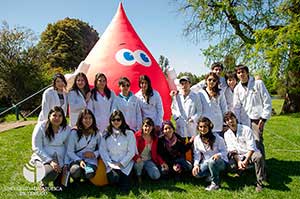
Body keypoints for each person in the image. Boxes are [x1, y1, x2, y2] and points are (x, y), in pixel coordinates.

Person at [233, 64, 272, 158]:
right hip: (244, 119)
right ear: (237, 75)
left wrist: (263, 118)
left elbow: (267, 101)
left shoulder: (258, 83)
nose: (241, 74)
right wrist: (237, 121)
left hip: (257, 119)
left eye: (243, 72)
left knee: (257, 141)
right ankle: (249, 163)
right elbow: (236, 107)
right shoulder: (237, 88)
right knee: (246, 142)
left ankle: (261, 166)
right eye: (238, 72)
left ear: (247, 73)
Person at [223, 111, 266, 192]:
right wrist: (239, 161)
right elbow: (232, 150)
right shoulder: (227, 134)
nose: (230, 121)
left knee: (258, 157)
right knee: (230, 166)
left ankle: (259, 182)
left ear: (236, 118)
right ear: (225, 122)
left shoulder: (246, 129)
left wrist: (246, 160)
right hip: (238, 155)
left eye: (232, 118)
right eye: (227, 120)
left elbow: (251, 147)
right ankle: (241, 171)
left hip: (250, 153)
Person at [31, 106, 71, 190]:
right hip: (44, 157)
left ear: (63, 117)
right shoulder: (41, 126)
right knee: (49, 173)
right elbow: (36, 147)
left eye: (60, 116)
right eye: (54, 115)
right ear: (49, 116)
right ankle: (43, 181)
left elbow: (68, 147)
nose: (57, 118)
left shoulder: (67, 128)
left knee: (63, 186)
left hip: (61, 157)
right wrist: (50, 161)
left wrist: (66, 164)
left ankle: (57, 178)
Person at [99, 110, 136, 192]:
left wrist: (121, 163)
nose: (116, 121)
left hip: (125, 165)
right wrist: (110, 163)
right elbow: (103, 151)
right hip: (111, 164)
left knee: (124, 189)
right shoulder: (106, 134)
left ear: (122, 120)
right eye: (113, 120)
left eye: (118, 119)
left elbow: (131, 152)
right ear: (110, 121)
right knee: (114, 179)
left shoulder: (129, 133)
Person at [192, 117, 228, 191]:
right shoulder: (197, 139)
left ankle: (215, 184)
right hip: (206, 162)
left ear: (209, 127)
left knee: (212, 161)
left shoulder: (217, 138)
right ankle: (213, 174)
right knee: (197, 174)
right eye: (200, 127)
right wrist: (195, 165)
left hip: (220, 162)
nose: (203, 129)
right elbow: (197, 154)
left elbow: (225, 151)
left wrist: (218, 155)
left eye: (205, 126)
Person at [67, 109, 100, 181]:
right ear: (80, 119)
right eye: (85, 118)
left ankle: (86, 177)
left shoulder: (96, 132)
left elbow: (102, 148)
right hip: (76, 158)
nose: (88, 120)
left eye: (90, 118)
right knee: (75, 170)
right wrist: (79, 160)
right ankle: (77, 178)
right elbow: (70, 151)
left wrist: (94, 154)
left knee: (89, 173)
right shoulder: (74, 132)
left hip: (91, 159)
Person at [133, 118, 168, 183]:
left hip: (148, 160)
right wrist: (136, 157)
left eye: (150, 126)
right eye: (146, 126)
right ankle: (138, 176)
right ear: (142, 127)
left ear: (152, 127)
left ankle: (145, 172)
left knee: (156, 176)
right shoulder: (137, 136)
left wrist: (162, 162)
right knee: (139, 164)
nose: (148, 128)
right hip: (138, 160)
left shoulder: (154, 138)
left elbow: (156, 153)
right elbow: (132, 150)